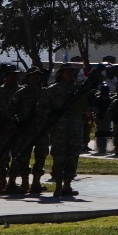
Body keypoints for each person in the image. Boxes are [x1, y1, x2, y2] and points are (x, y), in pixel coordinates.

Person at [42, 64, 90, 197]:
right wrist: (52, 113)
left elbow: (85, 106)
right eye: (67, 72)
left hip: (75, 126)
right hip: (59, 128)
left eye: (72, 72)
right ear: (61, 73)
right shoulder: (52, 89)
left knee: (73, 156)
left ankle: (67, 185)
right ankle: (58, 186)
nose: (70, 74)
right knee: (59, 156)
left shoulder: (77, 89)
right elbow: (42, 107)